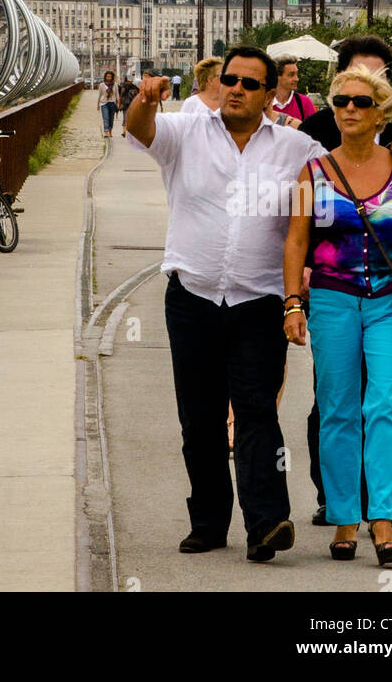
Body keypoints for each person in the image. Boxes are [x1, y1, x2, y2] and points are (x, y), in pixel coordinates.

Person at [125, 48, 325, 562]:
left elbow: (346, 164)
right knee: (200, 417)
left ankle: (267, 524)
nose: (235, 88)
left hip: (260, 301)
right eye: (230, 79)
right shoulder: (186, 132)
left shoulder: (296, 147)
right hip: (192, 296)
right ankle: (209, 523)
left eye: (249, 83)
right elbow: (140, 130)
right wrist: (145, 101)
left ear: (268, 94)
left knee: (258, 412)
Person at [284, 66, 392, 565]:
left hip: (391, 304)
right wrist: (292, 303)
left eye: (360, 101)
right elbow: (297, 240)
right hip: (332, 299)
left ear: (380, 113)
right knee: (337, 409)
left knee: (387, 405)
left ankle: (382, 519)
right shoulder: (314, 171)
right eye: (341, 101)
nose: (349, 108)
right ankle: (344, 520)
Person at [270, 57, 317, 125]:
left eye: (296, 74)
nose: (297, 79)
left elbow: (313, 132)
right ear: (277, 77)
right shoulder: (264, 103)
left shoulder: (304, 102)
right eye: (291, 75)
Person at [97, 70, 118, 138]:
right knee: (106, 118)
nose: (108, 78)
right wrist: (98, 104)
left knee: (111, 119)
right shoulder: (101, 85)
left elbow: (117, 95)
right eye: (107, 76)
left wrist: (118, 104)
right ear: (105, 77)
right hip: (104, 103)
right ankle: (106, 132)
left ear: (112, 77)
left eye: (110, 76)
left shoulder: (115, 84)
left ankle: (110, 130)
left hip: (112, 103)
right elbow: (99, 95)